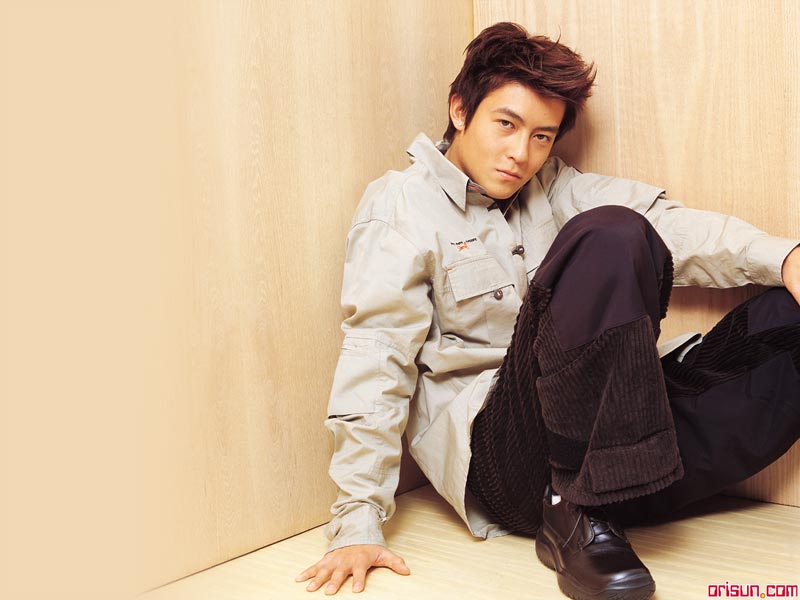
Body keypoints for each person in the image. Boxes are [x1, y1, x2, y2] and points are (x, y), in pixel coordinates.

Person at [296, 22, 800, 600]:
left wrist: (786, 256)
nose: (521, 154)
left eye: (542, 136)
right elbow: (378, 357)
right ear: (460, 109)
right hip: (505, 462)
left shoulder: (552, 185)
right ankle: (575, 504)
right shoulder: (400, 207)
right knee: (611, 233)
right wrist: (356, 521)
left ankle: (602, 500)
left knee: (787, 321)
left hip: (609, 439)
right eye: (506, 125)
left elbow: (666, 224)